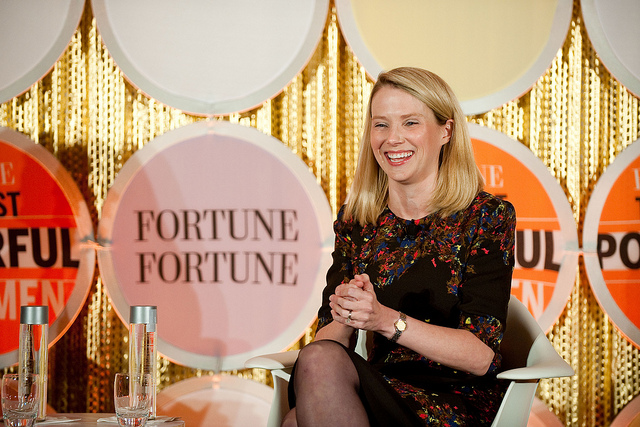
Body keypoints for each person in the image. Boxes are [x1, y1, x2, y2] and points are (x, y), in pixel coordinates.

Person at [283, 67, 516, 427]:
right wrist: (347, 313)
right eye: (381, 125)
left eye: (410, 123)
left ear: (446, 131)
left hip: (455, 398)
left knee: (296, 421)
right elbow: (328, 342)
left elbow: (481, 356)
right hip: (379, 386)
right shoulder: (359, 220)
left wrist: (383, 319)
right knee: (318, 359)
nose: (392, 139)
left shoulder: (486, 216)